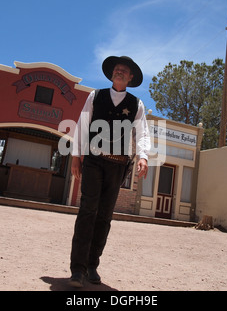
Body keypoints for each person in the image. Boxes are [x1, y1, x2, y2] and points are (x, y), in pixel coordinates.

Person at [69, 56, 150, 287]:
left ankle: (92, 265)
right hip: (94, 161)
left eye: (124, 70)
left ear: (130, 77)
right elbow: (83, 125)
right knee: (87, 211)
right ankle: (77, 269)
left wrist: (143, 156)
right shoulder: (95, 96)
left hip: (118, 165)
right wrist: (76, 155)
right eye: (117, 69)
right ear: (111, 74)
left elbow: (142, 133)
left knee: (104, 216)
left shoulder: (137, 104)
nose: (120, 72)